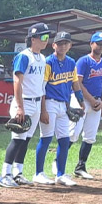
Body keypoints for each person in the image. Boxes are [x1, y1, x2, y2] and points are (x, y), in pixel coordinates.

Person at [0, 23, 51, 188]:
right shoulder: (24, 56)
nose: (46, 40)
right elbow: (17, 81)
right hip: (24, 102)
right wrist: (20, 107)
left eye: (47, 37)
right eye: (43, 37)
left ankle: (17, 173)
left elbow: (41, 86)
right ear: (33, 39)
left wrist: (42, 109)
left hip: (35, 102)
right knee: (17, 139)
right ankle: (4, 174)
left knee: (26, 140)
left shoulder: (42, 58)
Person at [34, 31, 85, 187]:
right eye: (60, 43)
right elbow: (42, 87)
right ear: (54, 45)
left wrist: (80, 100)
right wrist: (43, 110)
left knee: (64, 140)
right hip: (49, 103)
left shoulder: (71, 63)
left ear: (70, 45)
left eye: (66, 43)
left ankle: (61, 174)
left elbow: (75, 83)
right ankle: (39, 173)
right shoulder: (48, 62)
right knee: (46, 138)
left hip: (64, 104)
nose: (63, 46)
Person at [68, 32, 102, 180]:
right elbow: (78, 83)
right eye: (98, 43)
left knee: (90, 136)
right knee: (73, 132)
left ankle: (81, 166)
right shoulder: (83, 61)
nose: (101, 46)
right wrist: (91, 100)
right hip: (81, 100)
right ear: (91, 44)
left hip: (97, 102)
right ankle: (58, 162)